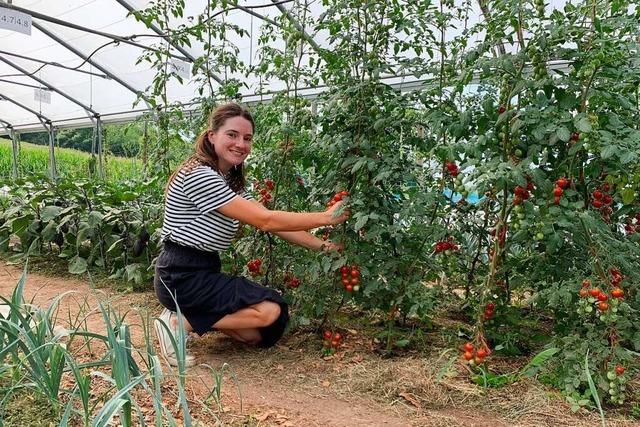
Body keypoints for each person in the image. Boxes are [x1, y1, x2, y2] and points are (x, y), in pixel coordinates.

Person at [154, 102, 348, 367]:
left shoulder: (226, 179)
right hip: (182, 274)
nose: (241, 144)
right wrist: (327, 217)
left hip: (202, 270)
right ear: (212, 136)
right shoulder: (199, 175)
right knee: (271, 311)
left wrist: (323, 246)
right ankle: (179, 322)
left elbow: (269, 220)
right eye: (232, 135)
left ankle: (184, 315)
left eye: (247, 138)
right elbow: (266, 221)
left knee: (255, 335)